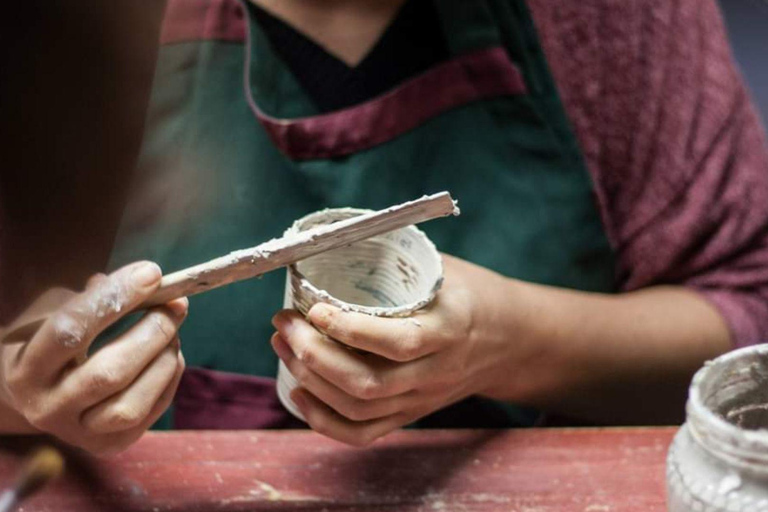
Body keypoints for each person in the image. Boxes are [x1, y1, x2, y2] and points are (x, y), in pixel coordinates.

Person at [1, 0, 767, 455]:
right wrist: (24, 390)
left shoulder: (614, 22)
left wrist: (511, 341)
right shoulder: (75, 30)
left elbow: (751, 335)